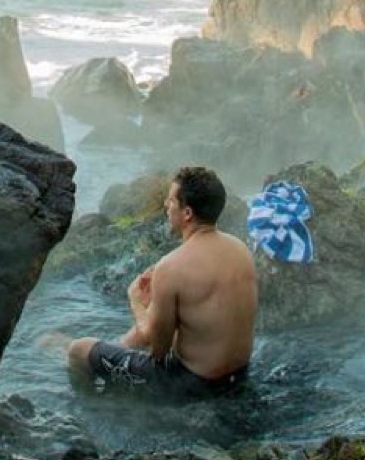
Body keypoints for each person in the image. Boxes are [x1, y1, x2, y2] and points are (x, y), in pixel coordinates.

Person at [66, 166, 258, 397]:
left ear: (187, 213)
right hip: (237, 376)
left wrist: (137, 301)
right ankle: (114, 351)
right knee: (149, 329)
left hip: (192, 385)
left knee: (78, 350)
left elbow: (157, 351)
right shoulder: (240, 249)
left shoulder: (172, 266)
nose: (166, 205)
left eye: (170, 200)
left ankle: (96, 410)